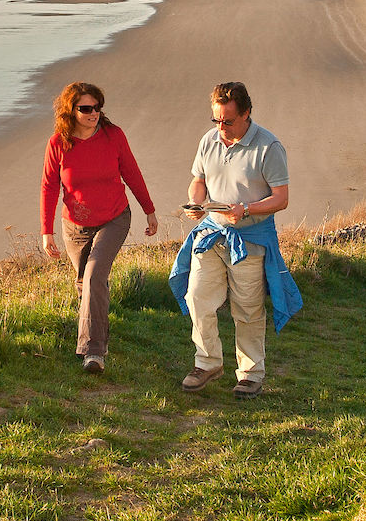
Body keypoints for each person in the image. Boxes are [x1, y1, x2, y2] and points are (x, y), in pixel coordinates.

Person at [169, 81, 303, 399]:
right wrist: (196, 204)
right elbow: (198, 181)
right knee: (197, 297)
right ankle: (207, 363)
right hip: (211, 234)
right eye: (216, 120)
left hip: (251, 238)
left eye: (228, 121)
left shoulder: (270, 147)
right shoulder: (209, 140)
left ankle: (251, 374)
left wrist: (247, 210)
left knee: (247, 310)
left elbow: (281, 198)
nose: (221, 127)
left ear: (246, 114)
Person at [40, 81, 158, 373]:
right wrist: (46, 231)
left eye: (97, 107)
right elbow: (49, 187)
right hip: (75, 226)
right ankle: (94, 334)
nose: (93, 113)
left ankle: (94, 353)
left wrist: (149, 210)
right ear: (71, 111)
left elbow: (131, 171)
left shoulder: (113, 136)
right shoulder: (59, 143)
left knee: (93, 277)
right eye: (86, 108)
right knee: (86, 285)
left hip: (114, 218)